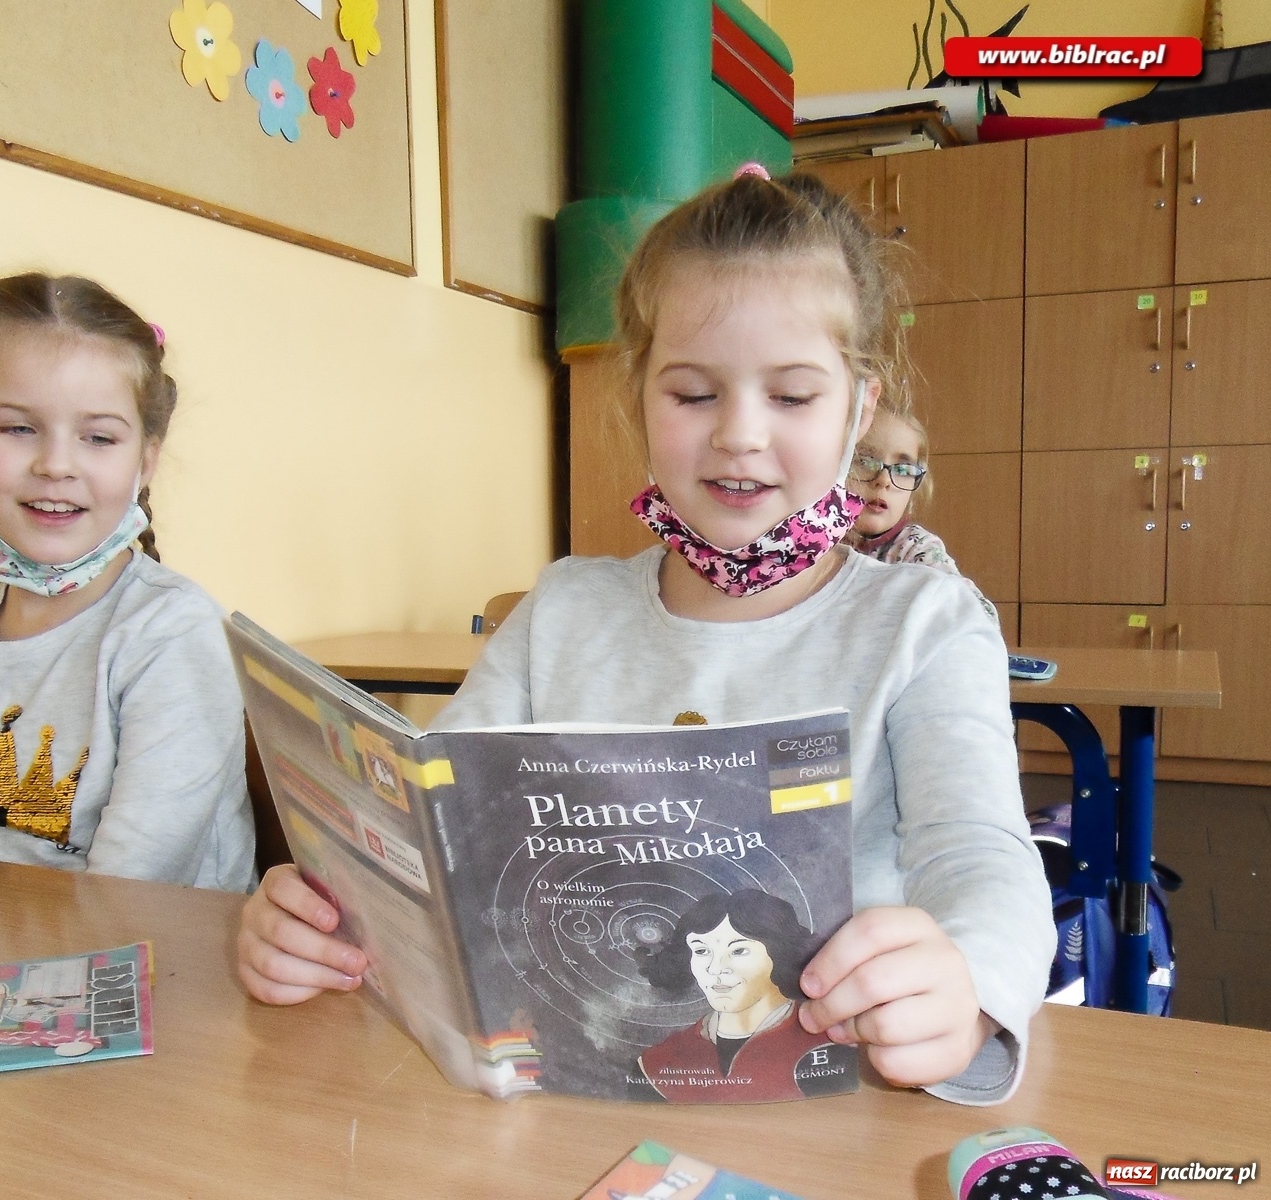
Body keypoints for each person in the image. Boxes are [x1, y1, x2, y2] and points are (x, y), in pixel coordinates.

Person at [236, 167, 1054, 1104]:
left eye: (792, 396)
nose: (739, 435)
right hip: (568, 1087)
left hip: (827, 1102)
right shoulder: (563, 613)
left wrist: (971, 991)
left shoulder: (924, 625)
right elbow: (431, 826)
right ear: (639, 396)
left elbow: (982, 855)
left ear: (860, 409)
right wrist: (326, 920)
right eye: (694, 394)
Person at [0, 273, 255, 891]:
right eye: (17, 428)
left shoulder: (171, 633)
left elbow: (133, 886)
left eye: (98, 438)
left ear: (145, 459)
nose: (57, 465)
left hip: (144, 966)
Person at [635, 890, 855, 1103]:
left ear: (777, 953)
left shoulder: (832, 1044)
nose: (715, 969)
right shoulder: (657, 1063)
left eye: (738, 951)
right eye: (701, 951)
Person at [847, 407, 998, 620]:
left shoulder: (913, 548)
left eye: (903, 470)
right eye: (864, 461)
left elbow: (980, 617)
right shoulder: (809, 540)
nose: (883, 479)